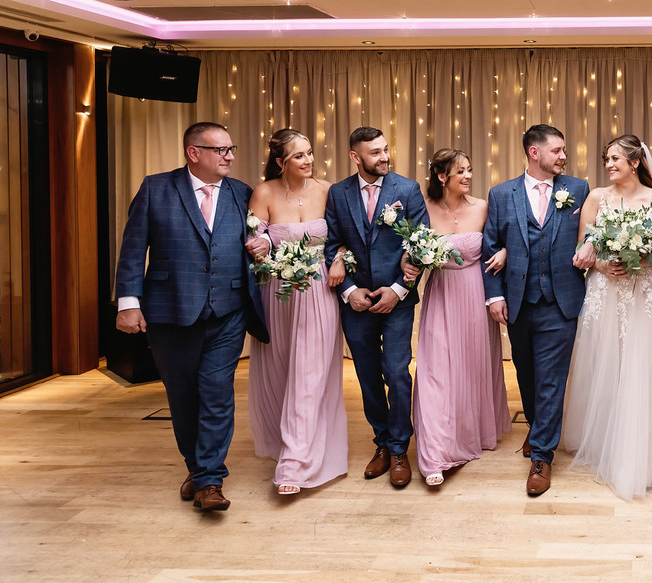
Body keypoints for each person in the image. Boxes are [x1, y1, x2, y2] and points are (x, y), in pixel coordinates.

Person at [114, 121, 269, 512]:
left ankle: (210, 481)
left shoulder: (242, 193)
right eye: (221, 150)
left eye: (231, 149)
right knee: (183, 398)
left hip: (229, 311)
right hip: (170, 311)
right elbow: (133, 249)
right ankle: (198, 470)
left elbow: (258, 236)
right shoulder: (156, 188)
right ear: (193, 152)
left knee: (217, 394)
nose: (230, 156)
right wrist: (128, 301)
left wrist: (263, 243)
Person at [561, 134, 652, 500]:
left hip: (645, 292)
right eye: (607, 159)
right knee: (606, 367)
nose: (609, 165)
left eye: (615, 158)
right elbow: (582, 247)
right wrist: (603, 264)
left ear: (635, 163)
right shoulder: (597, 197)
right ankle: (604, 444)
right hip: (606, 290)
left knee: (642, 369)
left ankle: (642, 457)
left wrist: (638, 260)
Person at [483, 124, 590, 496]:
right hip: (518, 300)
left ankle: (542, 457)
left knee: (550, 380)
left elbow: (590, 230)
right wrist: (494, 296)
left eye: (564, 150)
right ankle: (536, 425)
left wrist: (591, 244)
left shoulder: (578, 189)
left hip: (562, 300)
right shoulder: (501, 194)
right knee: (526, 375)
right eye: (557, 150)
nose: (564, 156)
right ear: (534, 152)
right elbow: (491, 246)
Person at [324, 126, 428, 489]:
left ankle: (400, 448)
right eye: (375, 152)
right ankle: (381, 441)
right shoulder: (338, 193)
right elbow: (332, 243)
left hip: (396, 301)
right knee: (367, 375)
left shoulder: (407, 189)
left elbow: (421, 244)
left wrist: (398, 290)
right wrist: (349, 290)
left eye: (386, 149)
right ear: (356, 157)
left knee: (397, 373)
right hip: (356, 303)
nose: (384, 157)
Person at [245, 129, 348, 495]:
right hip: (279, 292)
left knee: (311, 372)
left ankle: (295, 463)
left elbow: (344, 239)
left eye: (309, 153)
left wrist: (338, 259)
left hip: (320, 290)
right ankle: (285, 444)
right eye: (299, 156)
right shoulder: (264, 192)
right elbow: (255, 238)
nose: (308, 161)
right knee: (281, 370)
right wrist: (258, 246)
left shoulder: (327, 190)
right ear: (280, 162)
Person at [412, 148, 509, 487]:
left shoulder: (484, 207)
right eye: (461, 172)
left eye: (469, 169)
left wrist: (505, 251)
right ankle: (435, 453)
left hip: (475, 293)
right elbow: (409, 252)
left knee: (470, 367)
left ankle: (468, 433)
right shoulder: (422, 209)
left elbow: (507, 239)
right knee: (436, 370)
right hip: (441, 294)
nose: (468, 176)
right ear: (442, 177)